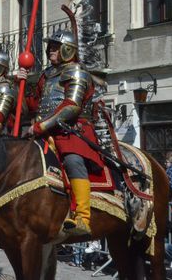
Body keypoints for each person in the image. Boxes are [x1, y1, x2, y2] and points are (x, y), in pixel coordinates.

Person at [17, 29, 103, 236]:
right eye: (49, 47)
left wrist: (41, 126)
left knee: (73, 160)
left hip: (72, 130)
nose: (50, 50)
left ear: (67, 49)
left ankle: (82, 216)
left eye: (55, 47)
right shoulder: (46, 75)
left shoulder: (77, 73)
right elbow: (33, 105)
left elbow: (70, 107)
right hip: (44, 131)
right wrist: (20, 84)